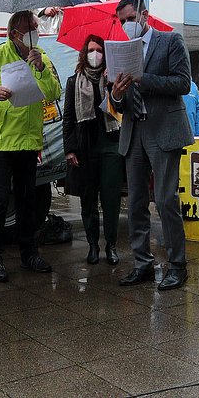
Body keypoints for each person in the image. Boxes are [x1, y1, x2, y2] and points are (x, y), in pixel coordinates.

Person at [0, 10, 62, 282]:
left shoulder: (41, 57)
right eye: (29, 27)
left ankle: (29, 254)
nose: (35, 31)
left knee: (27, 201)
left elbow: (54, 93)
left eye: (36, 26)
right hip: (1, 142)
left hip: (30, 141)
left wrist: (41, 68)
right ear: (13, 34)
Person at [110, 0, 193, 291]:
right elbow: (116, 103)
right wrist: (117, 94)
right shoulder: (120, 51)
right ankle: (143, 263)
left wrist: (144, 79)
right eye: (121, 21)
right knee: (134, 202)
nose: (126, 25)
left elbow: (183, 83)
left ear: (145, 15)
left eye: (130, 18)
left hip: (164, 131)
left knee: (166, 199)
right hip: (134, 132)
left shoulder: (170, 41)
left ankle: (177, 265)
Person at [62, 34, 125, 265]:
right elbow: (68, 117)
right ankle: (92, 245)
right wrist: (70, 149)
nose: (95, 54)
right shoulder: (74, 81)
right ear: (84, 53)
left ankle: (111, 245)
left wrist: (112, 86)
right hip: (85, 148)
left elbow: (120, 111)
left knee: (111, 200)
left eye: (99, 50)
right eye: (91, 50)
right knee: (88, 201)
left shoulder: (114, 79)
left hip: (111, 146)